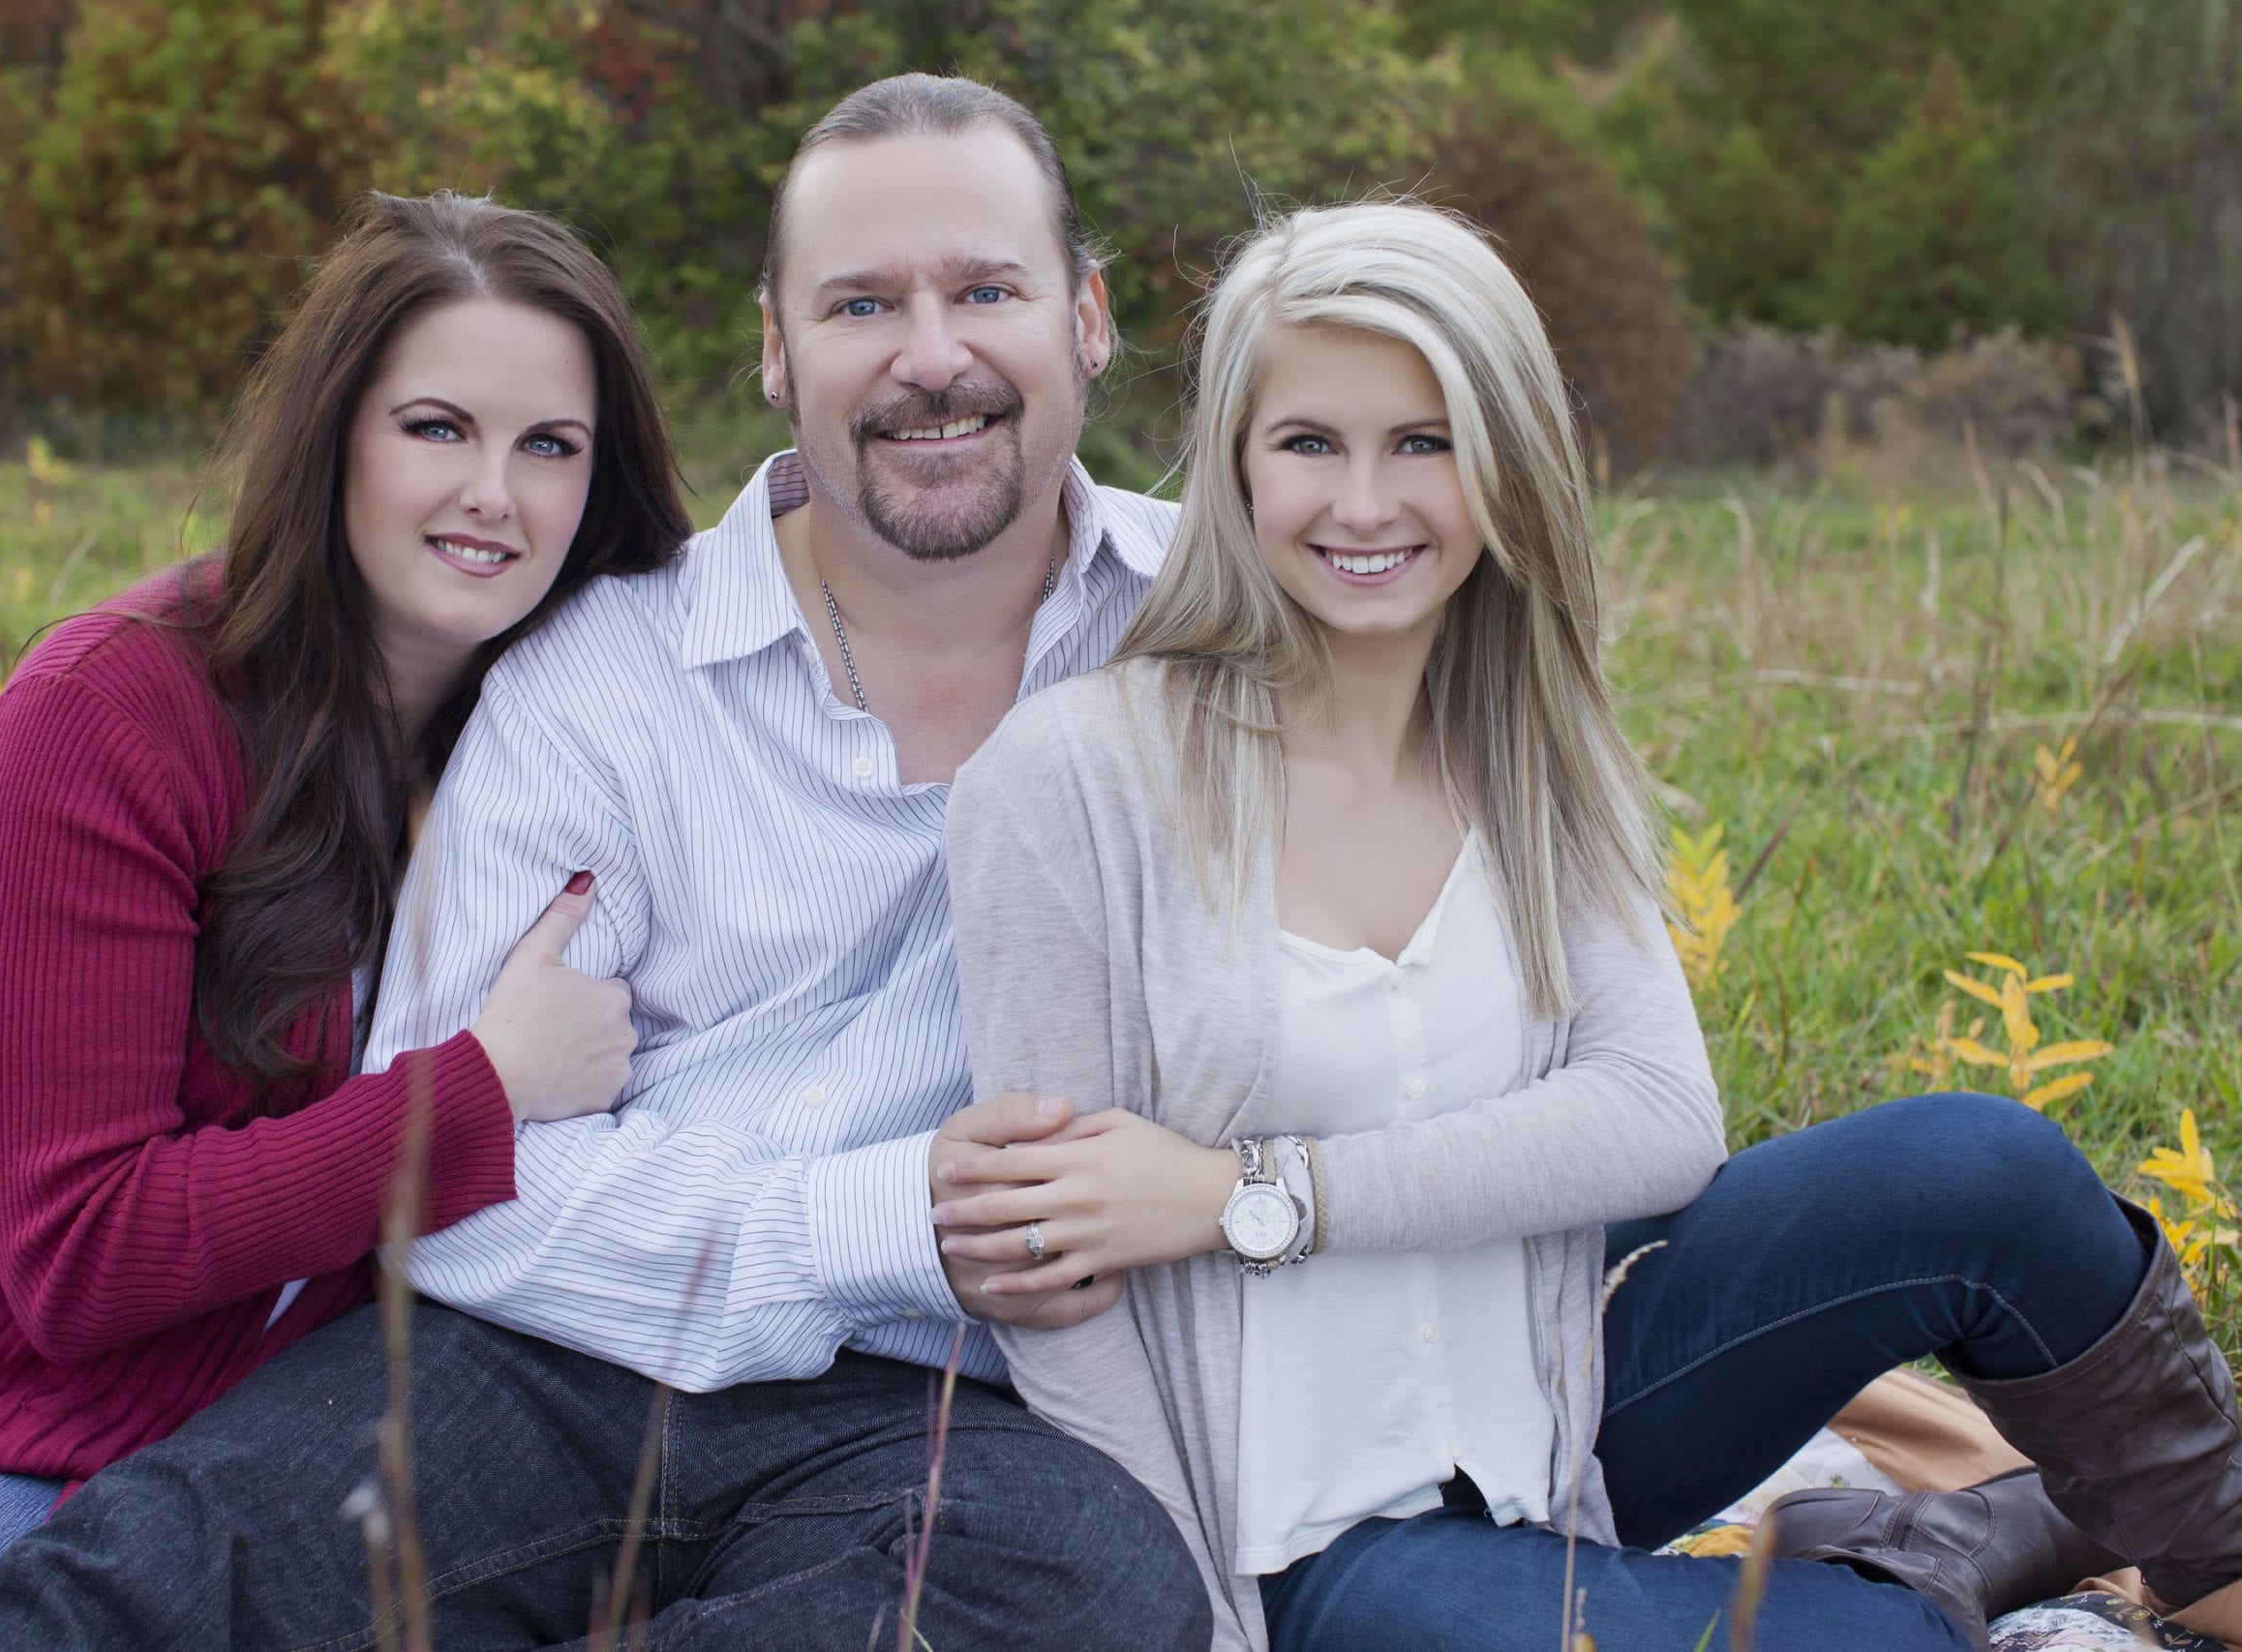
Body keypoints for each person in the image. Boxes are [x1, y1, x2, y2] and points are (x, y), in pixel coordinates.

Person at [0, 76, 1210, 1651]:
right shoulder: (602, 666)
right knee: (146, 1587)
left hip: (929, 1403)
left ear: (1092, 318)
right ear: (778, 349)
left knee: (1094, 1591)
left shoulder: (1215, 634)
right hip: (529, 1350)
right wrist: (881, 1216)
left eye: (988, 289)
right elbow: (465, 1206)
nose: (930, 353)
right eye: (862, 302)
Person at [940, 198, 2242, 1651]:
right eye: (1309, 442)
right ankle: (1935, 1558)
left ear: (1505, 462)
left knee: (1983, 1170)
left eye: (1423, 443)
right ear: (1237, 465)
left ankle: (2220, 1568)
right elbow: (1053, 1295)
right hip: (1302, 1543)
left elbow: (1657, 1117)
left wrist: (1252, 1196)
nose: (1364, 506)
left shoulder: (1522, 739)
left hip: (1564, 1414)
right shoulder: (1069, 785)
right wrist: (1185, 1615)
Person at [0, 191, 684, 1649]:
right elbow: (80, 1254)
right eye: (436, 428)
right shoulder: (119, 710)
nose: (493, 496)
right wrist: (484, 1095)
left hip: (146, 1470)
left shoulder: (568, 757)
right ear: (334, 436)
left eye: (549, 446)